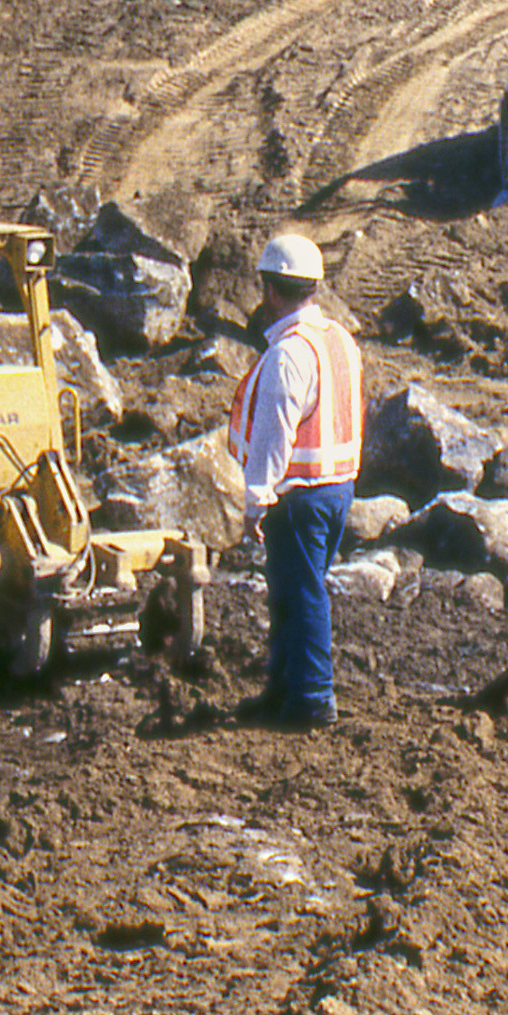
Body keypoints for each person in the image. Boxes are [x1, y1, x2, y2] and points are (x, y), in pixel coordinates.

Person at [227, 231, 364, 730]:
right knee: (293, 590)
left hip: (299, 493)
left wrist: (255, 500)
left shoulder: (289, 353)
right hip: (336, 486)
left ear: (270, 290)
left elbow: (274, 432)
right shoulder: (338, 339)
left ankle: (310, 696)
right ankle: (284, 688)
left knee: (301, 593)